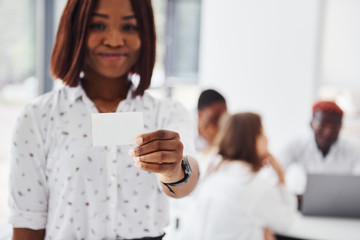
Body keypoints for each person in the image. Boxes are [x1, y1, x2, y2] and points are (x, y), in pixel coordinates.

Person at [8, 0, 199, 239]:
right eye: (98, 25)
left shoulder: (166, 113)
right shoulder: (38, 117)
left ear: (145, 34)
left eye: (129, 27)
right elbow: (28, 223)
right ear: (75, 29)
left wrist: (173, 170)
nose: (114, 40)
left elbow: (189, 179)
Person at [180, 113, 297, 240]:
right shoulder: (255, 186)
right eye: (263, 134)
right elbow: (286, 222)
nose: (268, 139)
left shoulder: (212, 172)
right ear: (254, 141)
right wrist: (281, 175)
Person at [279, 101, 360, 194]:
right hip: (302, 204)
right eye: (322, 126)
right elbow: (274, 175)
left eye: (334, 127)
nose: (328, 133)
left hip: (341, 206)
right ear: (311, 124)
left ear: (341, 127)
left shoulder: (353, 149)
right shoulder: (296, 146)